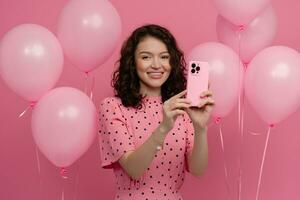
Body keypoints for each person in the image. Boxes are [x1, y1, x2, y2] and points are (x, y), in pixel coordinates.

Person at [98, 24, 214, 200]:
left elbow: (198, 170)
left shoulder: (182, 107)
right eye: (146, 57)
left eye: (164, 57)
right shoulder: (113, 107)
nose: (156, 65)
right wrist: (164, 127)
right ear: (132, 62)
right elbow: (134, 169)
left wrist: (200, 128)